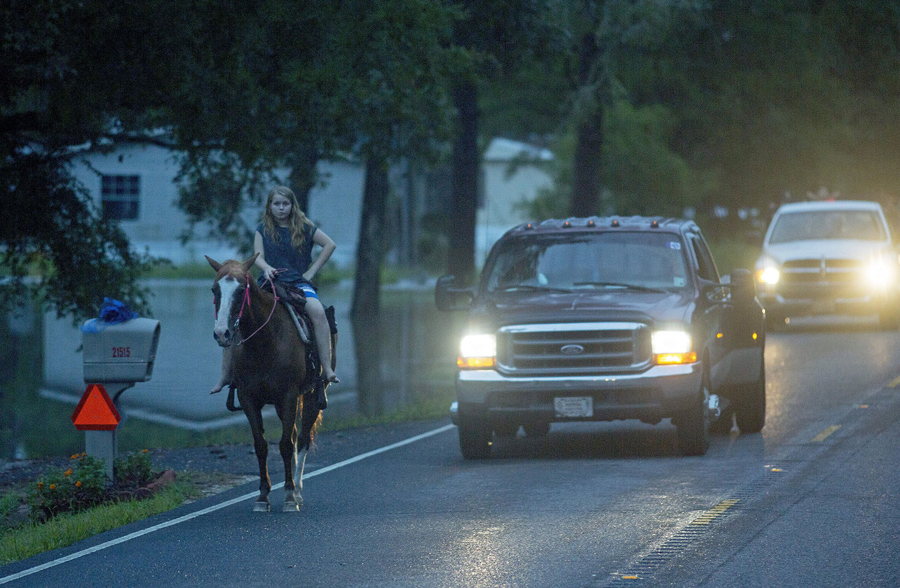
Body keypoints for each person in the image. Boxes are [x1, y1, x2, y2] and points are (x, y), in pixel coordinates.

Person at [211, 185, 338, 393]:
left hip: (297, 283)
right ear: (269, 206)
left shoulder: (305, 227)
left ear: (292, 205)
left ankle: (326, 368)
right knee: (237, 318)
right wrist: (267, 268)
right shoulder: (263, 229)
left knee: (317, 311)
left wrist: (311, 272)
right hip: (268, 282)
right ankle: (225, 375)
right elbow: (258, 256)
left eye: (285, 204)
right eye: (276, 204)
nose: (281, 208)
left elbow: (330, 245)